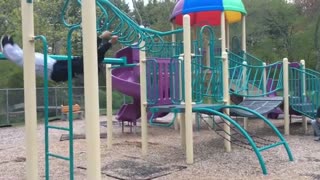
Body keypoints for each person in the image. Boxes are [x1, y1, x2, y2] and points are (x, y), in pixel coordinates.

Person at [0, 31, 118, 82]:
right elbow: (96, 53)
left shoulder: (86, 65)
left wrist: (104, 39)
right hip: (55, 66)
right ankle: (12, 46)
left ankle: (7, 48)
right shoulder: (88, 64)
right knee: (33, 56)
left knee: (29, 60)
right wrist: (109, 42)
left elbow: (94, 52)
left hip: (53, 70)